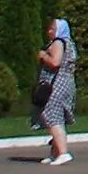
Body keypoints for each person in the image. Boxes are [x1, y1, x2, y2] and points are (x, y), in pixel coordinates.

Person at [33, 17, 77, 166]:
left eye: (52, 28)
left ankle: (63, 153)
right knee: (56, 116)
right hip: (65, 83)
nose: (49, 31)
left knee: (52, 115)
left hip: (56, 84)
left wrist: (44, 56)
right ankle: (55, 153)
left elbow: (55, 62)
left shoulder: (58, 43)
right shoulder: (68, 43)